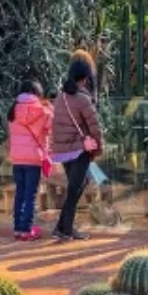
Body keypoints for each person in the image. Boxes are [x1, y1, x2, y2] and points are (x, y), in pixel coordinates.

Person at [49, 54, 103, 241]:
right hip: (80, 149)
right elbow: (95, 128)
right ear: (86, 78)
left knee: (80, 183)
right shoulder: (83, 99)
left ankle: (61, 226)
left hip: (64, 151)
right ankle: (66, 230)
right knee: (74, 189)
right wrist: (96, 149)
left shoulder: (60, 97)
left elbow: (54, 126)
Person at [8, 80, 52, 241]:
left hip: (17, 158)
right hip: (33, 158)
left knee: (19, 193)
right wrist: (48, 107)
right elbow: (50, 126)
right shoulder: (42, 111)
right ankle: (27, 229)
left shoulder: (13, 109)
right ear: (37, 93)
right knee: (30, 195)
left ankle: (18, 229)